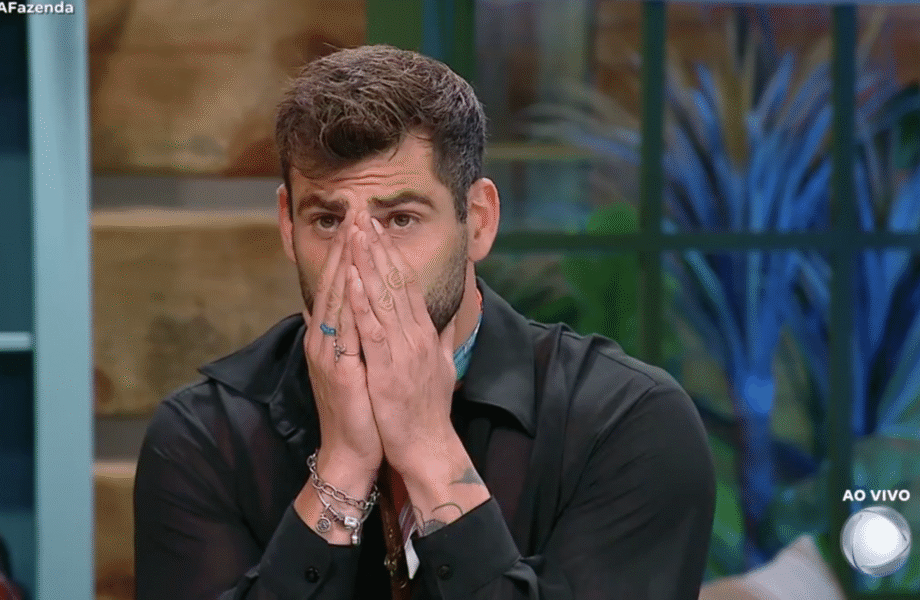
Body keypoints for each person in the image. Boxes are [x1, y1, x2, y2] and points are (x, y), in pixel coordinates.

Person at [134, 44, 716, 600]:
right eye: (328, 221)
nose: (359, 262)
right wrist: (342, 469)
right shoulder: (205, 435)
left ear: (478, 220)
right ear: (288, 226)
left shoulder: (626, 423)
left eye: (400, 219)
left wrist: (427, 447)